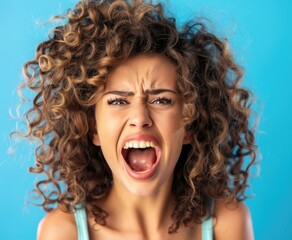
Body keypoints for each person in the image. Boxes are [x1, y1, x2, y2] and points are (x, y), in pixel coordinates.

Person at [18, 0, 257, 239]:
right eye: (118, 101)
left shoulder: (225, 223)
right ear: (93, 128)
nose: (140, 118)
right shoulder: (62, 232)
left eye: (162, 100)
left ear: (189, 124)